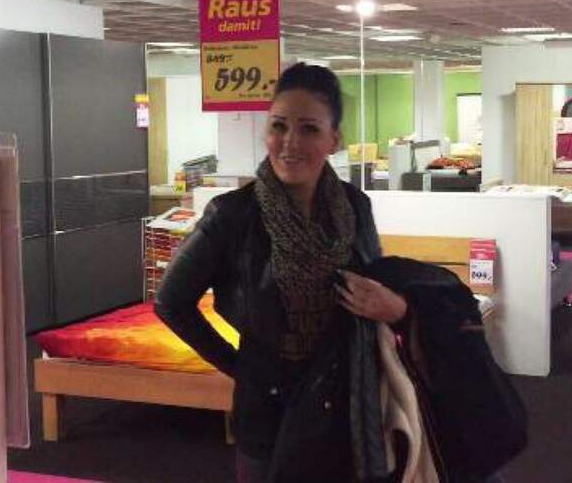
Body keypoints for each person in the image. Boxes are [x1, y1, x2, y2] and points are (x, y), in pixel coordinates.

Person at [154, 62, 408, 483]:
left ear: (333, 140)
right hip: (270, 408)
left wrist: (390, 304)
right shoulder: (232, 215)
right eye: (279, 126)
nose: (290, 142)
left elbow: (375, 282)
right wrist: (240, 366)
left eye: (309, 129)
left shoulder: (354, 206)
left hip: (347, 399)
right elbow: (171, 302)